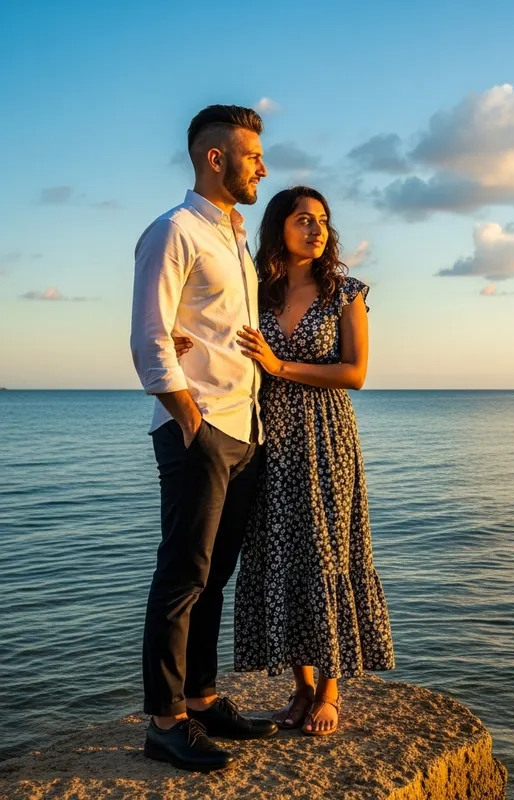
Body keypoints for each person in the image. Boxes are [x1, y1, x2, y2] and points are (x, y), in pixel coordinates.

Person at [130, 104, 277, 773]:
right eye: (252, 156)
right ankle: (165, 723)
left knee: (214, 577)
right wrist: (191, 421)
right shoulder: (174, 231)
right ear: (215, 158)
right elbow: (149, 336)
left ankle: (203, 697)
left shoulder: (234, 240)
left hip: (244, 428)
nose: (263, 168)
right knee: (183, 577)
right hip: (203, 429)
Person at [231, 186, 395, 735]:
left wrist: (280, 366)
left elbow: (355, 373)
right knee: (280, 551)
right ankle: (300, 688)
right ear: (279, 227)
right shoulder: (253, 290)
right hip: (269, 436)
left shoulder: (344, 292)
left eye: (323, 221)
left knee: (327, 551)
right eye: (304, 219)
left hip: (327, 437)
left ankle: (330, 689)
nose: (317, 229)